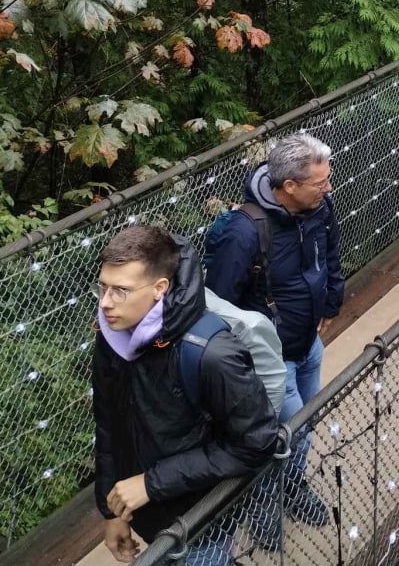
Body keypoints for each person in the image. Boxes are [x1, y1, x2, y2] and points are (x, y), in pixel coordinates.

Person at [93, 224, 278, 565]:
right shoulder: (113, 338)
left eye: (120, 290)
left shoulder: (212, 354)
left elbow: (257, 443)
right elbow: (109, 427)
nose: (105, 303)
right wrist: (113, 511)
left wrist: (151, 484)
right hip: (146, 513)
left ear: (160, 288)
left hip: (201, 524)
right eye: (102, 287)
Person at [205, 132, 345, 544]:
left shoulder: (320, 207)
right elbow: (218, 305)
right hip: (271, 360)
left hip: (307, 343)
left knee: (306, 421)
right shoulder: (244, 233)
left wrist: (330, 304)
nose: (329, 187)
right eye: (320, 182)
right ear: (289, 187)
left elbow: (331, 255)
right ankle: (266, 509)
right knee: (285, 435)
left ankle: (291, 489)